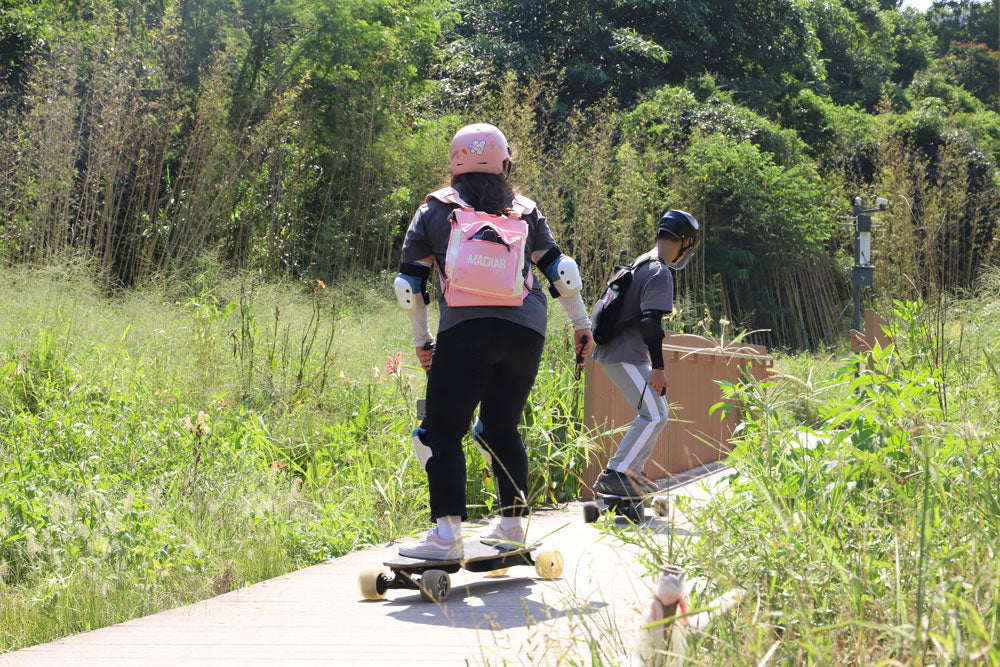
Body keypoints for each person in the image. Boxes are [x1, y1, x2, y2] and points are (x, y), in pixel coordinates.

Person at [394, 123, 595, 560]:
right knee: (499, 428)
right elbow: (562, 271)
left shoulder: (434, 211)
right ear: (505, 162)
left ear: (454, 162)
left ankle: (447, 538)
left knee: (440, 432)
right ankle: (511, 529)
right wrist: (582, 323)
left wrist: (423, 339)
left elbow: (410, 286)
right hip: (526, 327)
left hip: (465, 329)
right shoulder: (524, 209)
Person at [590, 209, 699, 498]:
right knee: (653, 414)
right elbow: (650, 323)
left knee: (656, 413)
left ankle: (630, 475)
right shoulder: (659, 272)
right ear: (686, 243)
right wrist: (659, 368)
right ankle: (616, 473)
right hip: (623, 354)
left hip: (619, 352)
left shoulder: (641, 262)